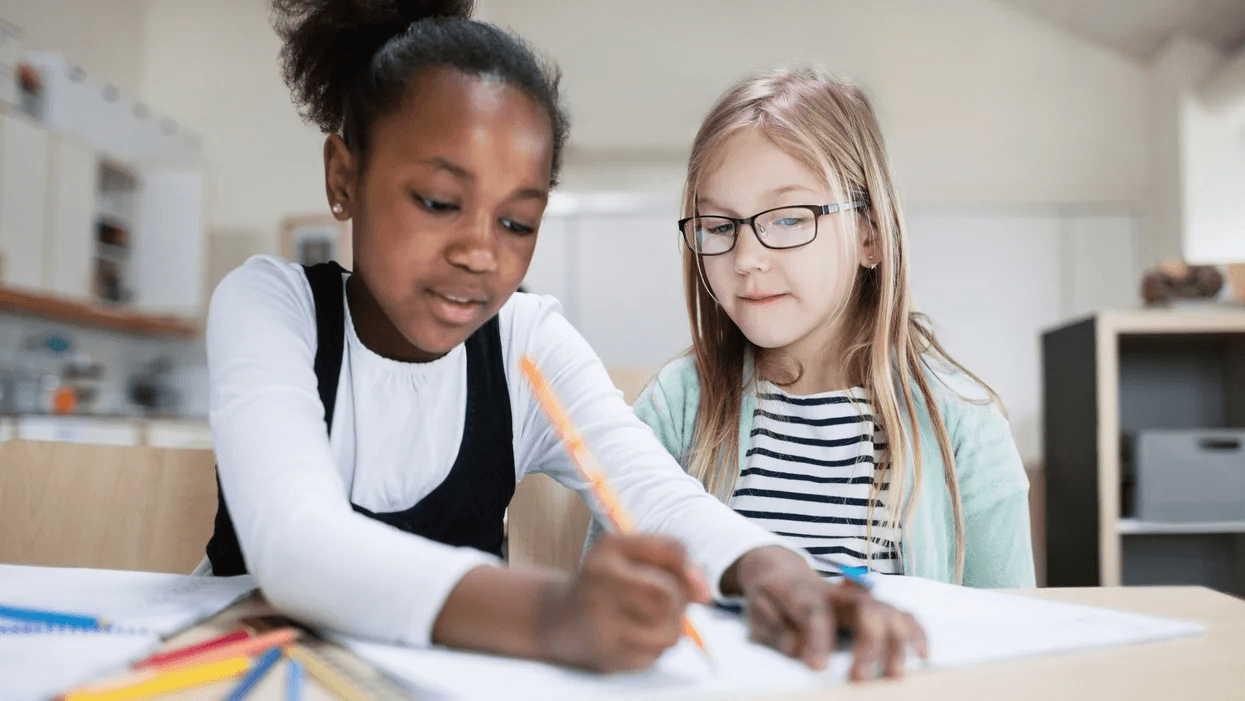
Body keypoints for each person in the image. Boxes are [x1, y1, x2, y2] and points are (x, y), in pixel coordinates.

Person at [203, 1, 925, 679]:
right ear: (343, 177)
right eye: (437, 202)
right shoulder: (270, 306)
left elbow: (658, 497)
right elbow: (296, 544)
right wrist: (550, 611)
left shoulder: (526, 339)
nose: (480, 253)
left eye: (516, 221)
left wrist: (780, 572)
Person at [588, 66, 1035, 590]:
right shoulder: (677, 408)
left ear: (870, 234)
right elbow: (607, 600)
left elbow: (1008, 636)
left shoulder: (964, 428)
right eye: (719, 226)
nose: (747, 258)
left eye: (789, 218)